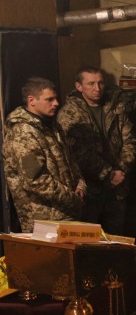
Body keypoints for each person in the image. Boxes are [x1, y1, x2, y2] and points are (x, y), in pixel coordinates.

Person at [57, 66, 136, 234]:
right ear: (79, 87)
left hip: (117, 187)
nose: (97, 88)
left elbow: (129, 140)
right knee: (89, 241)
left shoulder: (115, 108)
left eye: (100, 83)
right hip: (90, 189)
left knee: (116, 238)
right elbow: (77, 153)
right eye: (91, 84)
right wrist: (108, 174)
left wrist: (121, 170)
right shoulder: (69, 114)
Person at [3, 77, 86, 231]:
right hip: (44, 219)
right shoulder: (23, 132)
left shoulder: (52, 127)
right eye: (49, 99)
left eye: (55, 98)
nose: (56, 103)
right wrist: (72, 198)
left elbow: (70, 161)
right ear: (31, 100)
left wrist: (80, 185)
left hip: (66, 214)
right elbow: (35, 180)